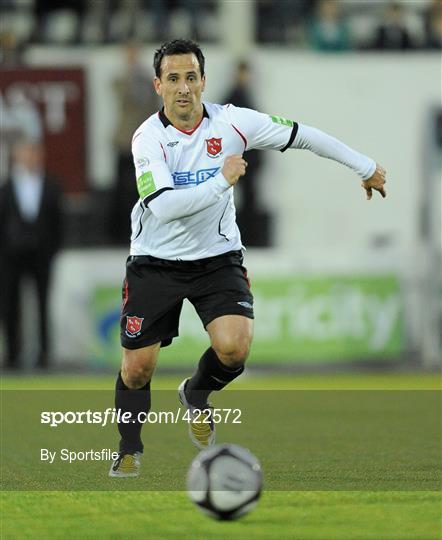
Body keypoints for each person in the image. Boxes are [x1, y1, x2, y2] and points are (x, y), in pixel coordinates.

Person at [109, 39, 386, 477]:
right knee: (138, 367)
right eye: (174, 79)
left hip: (216, 257)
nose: (184, 88)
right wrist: (222, 181)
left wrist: (363, 164)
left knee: (235, 350)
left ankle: (196, 395)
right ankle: (129, 448)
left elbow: (303, 134)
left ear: (204, 81)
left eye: (192, 78)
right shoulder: (147, 138)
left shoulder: (233, 123)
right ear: (158, 85)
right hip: (155, 259)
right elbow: (162, 206)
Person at [0, 138, 63, 370]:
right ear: (16, 156)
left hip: (41, 255)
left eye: (33, 152)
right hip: (11, 256)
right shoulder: (6, 187)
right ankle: (12, 354)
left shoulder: (51, 185)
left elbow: (58, 222)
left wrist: (52, 249)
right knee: (10, 305)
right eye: (25, 152)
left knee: (43, 304)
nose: (29, 157)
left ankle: (44, 354)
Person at [109, 42, 158, 245]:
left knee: (140, 188)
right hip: (123, 141)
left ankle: (141, 228)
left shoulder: (146, 81)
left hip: (140, 142)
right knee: (121, 187)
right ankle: (119, 232)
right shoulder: (122, 79)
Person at [222, 61, 269, 246]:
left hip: (248, 160)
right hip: (239, 159)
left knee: (249, 199)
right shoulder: (233, 98)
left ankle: (247, 238)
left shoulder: (245, 97)